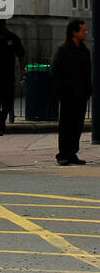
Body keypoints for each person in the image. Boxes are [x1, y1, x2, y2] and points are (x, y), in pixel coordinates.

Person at [51, 19, 92, 166]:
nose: (85, 33)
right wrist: (62, 90)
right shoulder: (62, 50)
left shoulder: (84, 50)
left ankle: (72, 152)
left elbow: (87, 72)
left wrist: (88, 89)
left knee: (77, 125)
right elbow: (56, 72)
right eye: (83, 30)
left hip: (81, 93)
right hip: (68, 94)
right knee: (66, 124)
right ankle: (63, 153)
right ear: (74, 32)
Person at [0, 22, 26, 134]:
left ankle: (1, 121)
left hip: (8, 74)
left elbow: (21, 54)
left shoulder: (12, 37)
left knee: (7, 101)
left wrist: (23, 71)